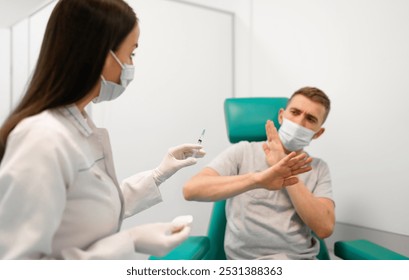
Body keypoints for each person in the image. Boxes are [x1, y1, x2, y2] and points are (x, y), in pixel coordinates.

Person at [0, 0, 207, 259]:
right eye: (131, 54)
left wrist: (157, 174)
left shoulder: (78, 126)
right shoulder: (41, 139)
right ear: (99, 54)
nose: (131, 65)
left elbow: (89, 208)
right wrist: (129, 241)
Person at [183, 87, 335, 260]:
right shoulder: (243, 151)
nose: (300, 122)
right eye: (295, 112)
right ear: (281, 116)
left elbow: (324, 228)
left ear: (318, 133)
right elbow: (191, 189)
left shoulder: (318, 168)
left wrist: (283, 168)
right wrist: (257, 179)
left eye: (310, 119)